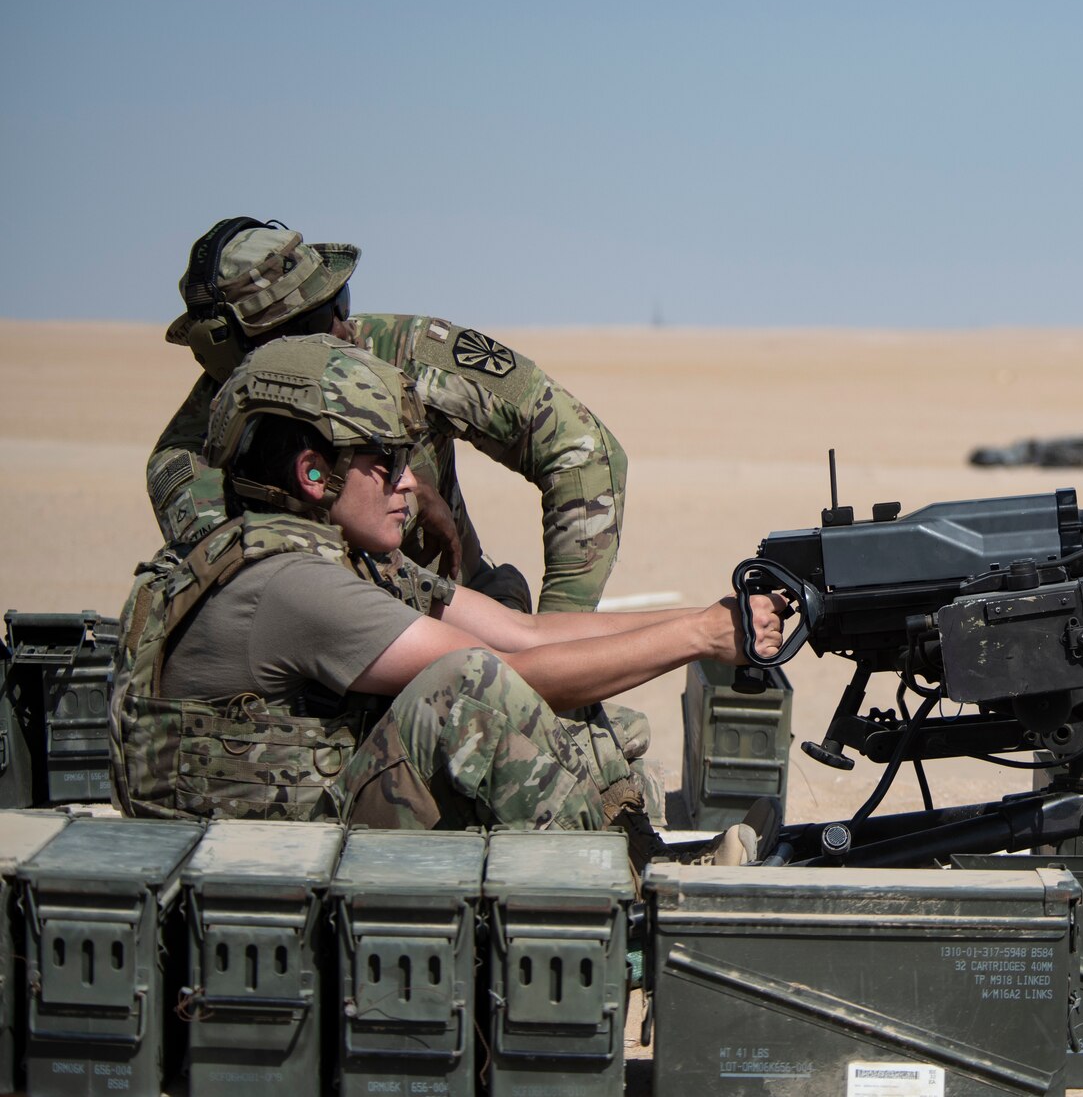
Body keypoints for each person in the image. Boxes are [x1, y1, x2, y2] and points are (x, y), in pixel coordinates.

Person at [110, 334, 782, 861]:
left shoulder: (332, 557)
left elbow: (527, 632)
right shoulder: (291, 587)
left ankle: (635, 853)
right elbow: (504, 675)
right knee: (471, 692)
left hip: (303, 828)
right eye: (386, 461)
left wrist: (712, 615)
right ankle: (624, 888)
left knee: (577, 704)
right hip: (259, 861)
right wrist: (699, 637)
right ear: (314, 474)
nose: (409, 485)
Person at [147, 216, 626, 613]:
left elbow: (581, 449)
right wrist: (405, 506)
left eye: (340, 302)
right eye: (313, 324)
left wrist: (561, 629)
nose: (342, 326)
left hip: (466, 625)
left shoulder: (403, 353)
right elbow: (276, 588)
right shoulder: (192, 467)